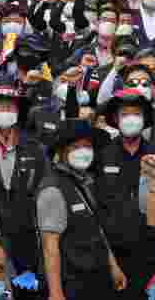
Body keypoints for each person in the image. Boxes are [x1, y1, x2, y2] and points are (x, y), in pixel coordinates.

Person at [37, 118, 125, 300]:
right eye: (75, 147)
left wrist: (113, 265)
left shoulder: (87, 181)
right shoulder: (53, 189)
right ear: (61, 152)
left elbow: (96, 227)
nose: (83, 152)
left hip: (97, 275)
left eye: (87, 146)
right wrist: (55, 292)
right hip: (72, 282)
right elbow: (49, 246)